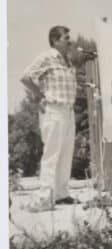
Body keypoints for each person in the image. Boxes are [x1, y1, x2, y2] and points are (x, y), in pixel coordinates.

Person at [21, 26, 80, 211]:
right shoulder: (46, 57)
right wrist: (40, 96)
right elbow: (25, 77)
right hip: (53, 110)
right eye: (66, 38)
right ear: (55, 40)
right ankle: (44, 198)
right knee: (52, 154)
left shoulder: (67, 61)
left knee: (66, 152)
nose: (70, 41)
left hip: (68, 111)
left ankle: (61, 194)